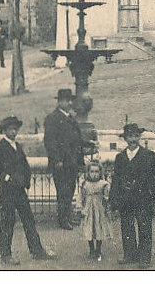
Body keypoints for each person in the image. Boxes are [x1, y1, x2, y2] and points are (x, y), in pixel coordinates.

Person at [0, 116, 56, 265]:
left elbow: (25, 165)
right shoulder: (0, 147)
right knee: (7, 221)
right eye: (10, 129)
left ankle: (37, 251)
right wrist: (5, 177)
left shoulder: (17, 146)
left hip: (19, 191)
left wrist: (26, 181)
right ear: (4, 130)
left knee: (29, 220)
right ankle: (5, 254)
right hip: (7, 191)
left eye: (15, 129)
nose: (14, 131)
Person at [109, 123, 155, 268]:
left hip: (142, 197)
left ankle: (145, 258)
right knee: (126, 226)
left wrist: (149, 188)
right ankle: (130, 255)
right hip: (125, 198)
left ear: (139, 137)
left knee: (144, 226)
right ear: (125, 138)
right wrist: (114, 198)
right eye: (130, 136)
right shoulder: (120, 157)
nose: (133, 139)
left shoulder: (148, 155)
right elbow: (116, 178)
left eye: (135, 136)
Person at [43, 88, 84, 229]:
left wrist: (86, 147)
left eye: (70, 100)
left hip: (72, 161)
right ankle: (62, 219)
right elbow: (50, 142)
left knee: (70, 189)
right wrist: (57, 160)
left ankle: (67, 216)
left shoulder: (70, 118)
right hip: (61, 162)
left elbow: (77, 139)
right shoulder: (52, 118)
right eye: (66, 100)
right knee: (63, 190)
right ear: (59, 102)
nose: (69, 103)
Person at [79, 160, 112, 262]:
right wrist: (80, 208)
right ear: (88, 173)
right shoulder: (85, 184)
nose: (94, 174)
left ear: (100, 173)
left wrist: (107, 208)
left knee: (99, 228)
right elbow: (81, 197)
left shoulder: (103, 184)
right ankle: (91, 249)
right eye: (92, 172)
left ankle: (98, 249)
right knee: (89, 228)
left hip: (99, 209)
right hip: (88, 209)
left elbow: (107, 198)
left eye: (96, 172)